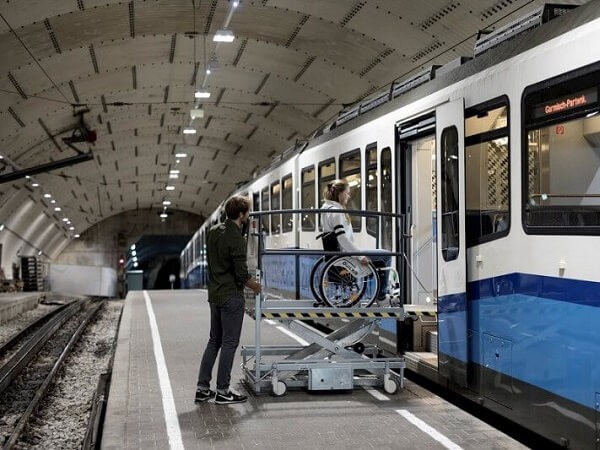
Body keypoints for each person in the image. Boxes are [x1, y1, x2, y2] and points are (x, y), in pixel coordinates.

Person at [195, 195, 262, 405]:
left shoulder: (214, 232)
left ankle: (202, 388)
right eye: (247, 213)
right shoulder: (236, 239)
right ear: (241, 214)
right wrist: (255, 286)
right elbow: (241, 274)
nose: (249, 216)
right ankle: (223, 390)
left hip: (214, 295)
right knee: (230, 343)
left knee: (214, 341)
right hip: (231, 297)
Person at [320, 178, 368, 265]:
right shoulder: (336, 212)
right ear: (340, 193)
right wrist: (360, 256)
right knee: (385, 256)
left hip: (337, 255)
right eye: (347, 193)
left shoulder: (326, 210)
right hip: (346, 255)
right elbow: (342, 238)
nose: (348, 196)